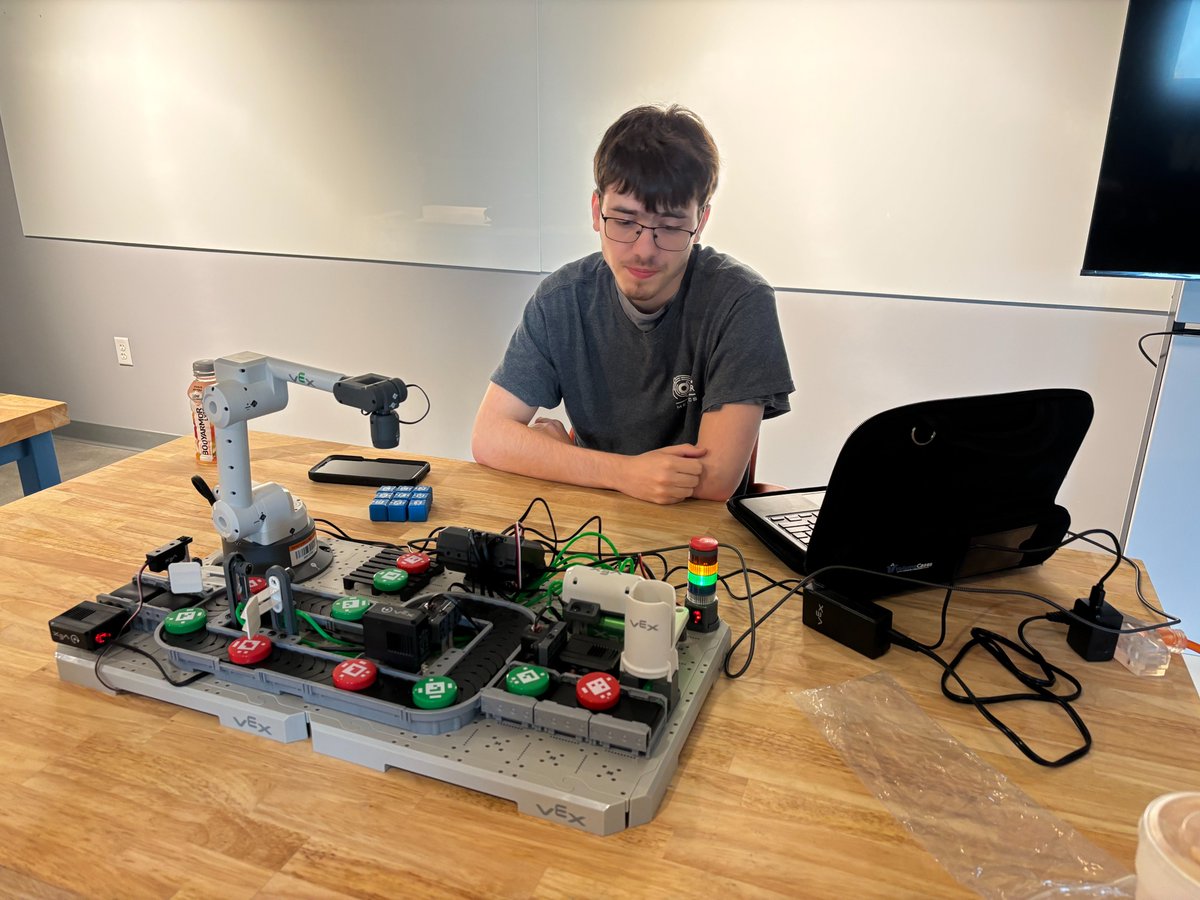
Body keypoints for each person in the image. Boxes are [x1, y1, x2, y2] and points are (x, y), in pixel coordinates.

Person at [471, 104, 794, 504]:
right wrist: (625, 473)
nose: (644, 250)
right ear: (596, 211)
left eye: (671, 227)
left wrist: (566, 459)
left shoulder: (740, 302)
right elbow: (489, 437)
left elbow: (713, 483)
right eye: (624, 222)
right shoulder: (563, 299)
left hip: (700, 550)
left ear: (702, 221)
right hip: (591, 527)